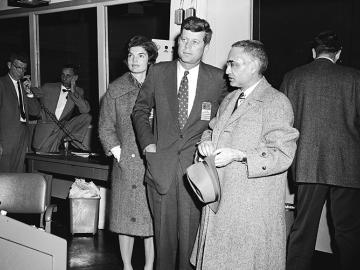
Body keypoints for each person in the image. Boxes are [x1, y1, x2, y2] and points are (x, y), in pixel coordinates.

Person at [191, 40, 299, 270]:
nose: (227, 70)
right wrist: (206, 144)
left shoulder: (276, 102)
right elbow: (211, 130)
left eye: (233, 64)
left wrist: (240, 155)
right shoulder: (231, 99)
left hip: (250, 211)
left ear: (254, 65)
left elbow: (282, 153)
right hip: (221, 201)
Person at [132, 16, 228, 270]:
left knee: (190, 244)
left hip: (196, 171)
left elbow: (225, 119)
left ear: (205, 45)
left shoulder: (218, 79)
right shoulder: (158, 72)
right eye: (183, 39)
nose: (187, 46)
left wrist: (212, 141)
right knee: (163, 243)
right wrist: (147, 145)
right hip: (160, 166)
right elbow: (140, 111)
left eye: (195, 42)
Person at [281, 31, 360, 270]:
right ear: (338, 54)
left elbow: (282, 122)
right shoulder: (355, 78)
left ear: (313, 53)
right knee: (348, 232)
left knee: (303, 228)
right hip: (348, 165)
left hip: (308, 163)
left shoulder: (293, 77)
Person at [98, 35, 158, 270]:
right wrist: (119, 154)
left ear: (150, 59)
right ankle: (126, 266)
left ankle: (149, 266)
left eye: (141, 55)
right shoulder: (116, 88)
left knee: (151, 219)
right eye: (131, 55)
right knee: (125, 218)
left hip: (154, 161)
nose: (135, 60)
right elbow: (105, 127)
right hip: (126, 164)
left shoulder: (160, 85)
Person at [31, 64, 91, 152]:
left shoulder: (78, 91)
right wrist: (28, 89)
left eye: (68, 75)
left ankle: (74, 141)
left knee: (87, 117)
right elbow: (34, 92)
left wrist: (73, 92)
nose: (64, 77)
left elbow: (85, 110)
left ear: (75, 77)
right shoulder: (48, 87)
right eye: (63, 75)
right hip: (47, 131)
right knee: (46, 161)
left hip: (63, 130)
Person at [0, 52, 41, 172]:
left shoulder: (24, 86)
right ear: (9, 65)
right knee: (4, 175)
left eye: (24, 69)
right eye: (18, 68)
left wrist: (29, 92)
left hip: (23, 134)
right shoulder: (2, 83)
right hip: (6, 137)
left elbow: (36, 111)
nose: (21, 72)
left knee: (18, 173)